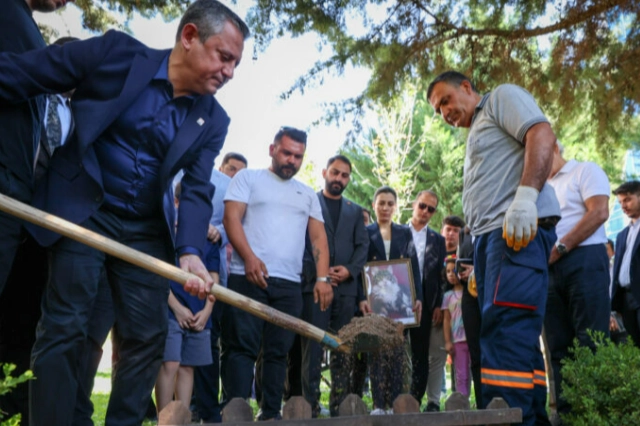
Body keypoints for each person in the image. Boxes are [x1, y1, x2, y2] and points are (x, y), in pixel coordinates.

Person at [0, 1, 250, 424]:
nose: (229, 72)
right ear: (189, 37)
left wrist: (189, 249)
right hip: (83, 215)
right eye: (224, 57)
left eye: (235, 64)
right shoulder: (115, 54)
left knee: (146, 339)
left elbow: (195, 189)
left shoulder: (214, 119)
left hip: (145, 231)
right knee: (65, 325)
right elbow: (29, 72)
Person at [428, 71, 561, 425]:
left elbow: (541, 134)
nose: (443, 113)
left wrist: (526, 198)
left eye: (445, 100)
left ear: (468, 88)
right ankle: (529, 417)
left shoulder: (501, 97)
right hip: (494, 244)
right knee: (513, 337)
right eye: (437, 109)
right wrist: (479, 264)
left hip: (515, 235)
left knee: (505, 332)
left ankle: (508, 419)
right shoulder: (478, 131)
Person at [221, 127, 333, 421]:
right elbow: (231, 217)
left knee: (278, 351)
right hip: (246, 276)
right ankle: (235, 410)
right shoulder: (248, 178)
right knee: (240, 347)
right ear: (272, 149)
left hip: (289, 285)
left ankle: (270, 413)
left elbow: (319, 238)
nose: (292, 160)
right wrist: (249, 258)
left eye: (298, 156)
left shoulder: (307, 194)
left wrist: (322, 279)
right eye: (287, 153)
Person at [293, 154, 369, 417]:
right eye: (335, 173)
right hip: (314, 288)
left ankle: (340, 405)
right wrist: (321, 273)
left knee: (342, 349)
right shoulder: (308, 202)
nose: (339, 178)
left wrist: (349, 270)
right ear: (325, 172)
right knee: (312, 348)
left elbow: (363, 246)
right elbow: (301, 244)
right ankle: (310, 406)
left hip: (346, 292)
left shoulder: (355, 211)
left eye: (345, 175)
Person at [545, 141, 611, 420]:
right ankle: (568, 416)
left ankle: (595, 415)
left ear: (554, 145)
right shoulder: (535, 189)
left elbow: (599, 212)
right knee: (558, 347)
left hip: (583, 258)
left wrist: (561, 248)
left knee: (591, 340)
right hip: (548, 268)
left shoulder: (584, 171)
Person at [155, 183, 218, 415]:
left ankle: (182, 418)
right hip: (170, 310)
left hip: (199, 314)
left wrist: (207, 311)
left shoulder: (209, 241)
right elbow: (159, 276)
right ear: (177, 202)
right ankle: (164, 417)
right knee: (169, 363)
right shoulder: (167, 234)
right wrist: (177, 308)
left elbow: (214, 279)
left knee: (187, 367)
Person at [359, 186, 422, 415]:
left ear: (395, 207)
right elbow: (359, 268)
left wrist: (418, 299)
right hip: (374, 302)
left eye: (389, 203)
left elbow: (413, 267)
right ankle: (378, 404)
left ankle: (396, 403)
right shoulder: (365, 232)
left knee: (397, 352)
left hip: (400, 304)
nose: (385, 207)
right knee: (376, 351)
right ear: (374, 205)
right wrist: (361, 298)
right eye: (381, 203)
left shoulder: (405, 232)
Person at [405, 190, 446, 411]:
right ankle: (392, 397)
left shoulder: (438, 240)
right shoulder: (398, 232)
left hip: (427, 304)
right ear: (414, 204)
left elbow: (441, 275)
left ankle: (414, 399)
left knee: (421, 354)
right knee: (395, 351)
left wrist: (438, 304)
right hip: (400, 301)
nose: (425, 212)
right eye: (422, 206)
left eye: (431, 209)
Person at [611, 181, 640, 348]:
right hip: (625, 300)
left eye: (628, 200)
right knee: (634, 350)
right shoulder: (622, 235)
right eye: (621, 202)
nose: (623, 205)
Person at [442, 256, 471, 398]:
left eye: (453, 270)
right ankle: (462, 401)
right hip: (457, 340)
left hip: (471, 338)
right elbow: (446, 319)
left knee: (474, 370)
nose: (451, 274)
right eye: (447, 271)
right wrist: (447, 341)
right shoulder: (447, 296)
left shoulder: (471, 291)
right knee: (461, 374)